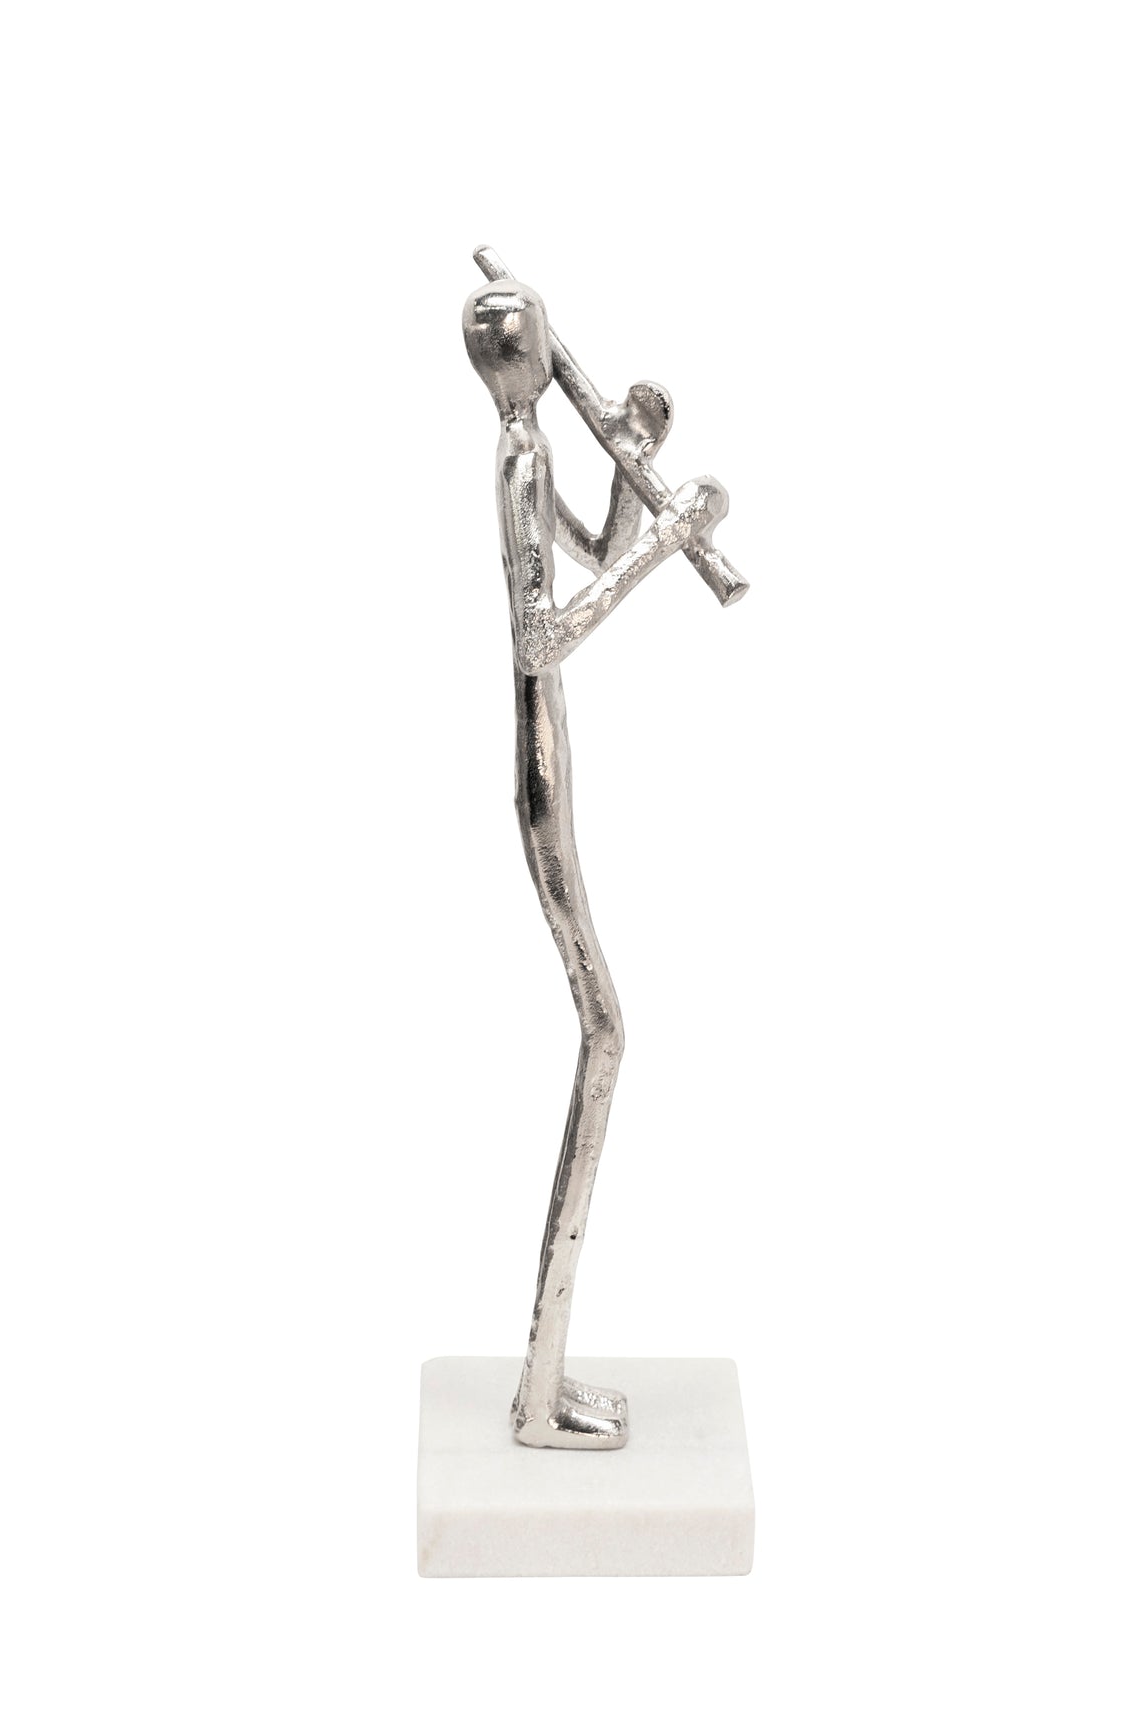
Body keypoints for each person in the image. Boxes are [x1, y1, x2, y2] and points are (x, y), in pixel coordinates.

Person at [462, 277, 727, 1448]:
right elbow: (545, 633)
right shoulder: (520, 458)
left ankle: (544, 1378)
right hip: (544, 780)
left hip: (553, 762)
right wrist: (671, 542)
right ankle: (537, 1394)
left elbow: (587, 553)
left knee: (606, 1033)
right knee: (605, 1033)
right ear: (524, 360)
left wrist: (635, 467)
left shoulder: (531, 445)